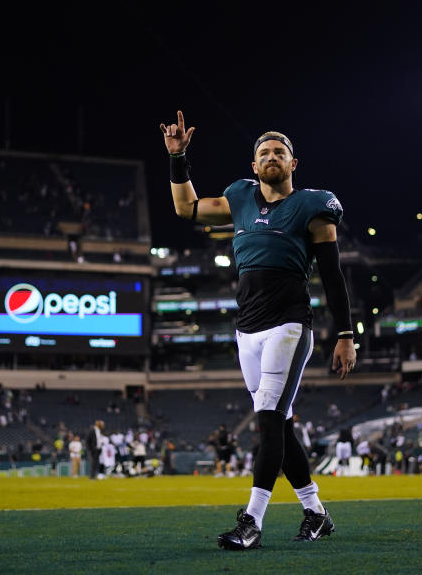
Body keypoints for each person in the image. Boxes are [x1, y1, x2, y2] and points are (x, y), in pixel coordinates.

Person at [161, 111, 357, 550]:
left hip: (288, 325)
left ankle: (251, 520)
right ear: (253, 166)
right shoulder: (240, 196)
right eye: (264, 152)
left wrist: (345, 335)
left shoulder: (314, 206)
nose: (271, 156)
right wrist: (179, 158)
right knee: (280, 427)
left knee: (268, 420)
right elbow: (185, 207)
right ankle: (316, 513)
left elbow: (332, 275)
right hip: (246, 330)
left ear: (293, 164)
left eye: (280, 152)